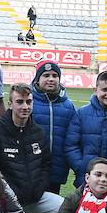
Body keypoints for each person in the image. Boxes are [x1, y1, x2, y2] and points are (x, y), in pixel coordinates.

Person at [0, 83, 63, 213]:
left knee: (66, 208)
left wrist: (38, 189)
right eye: (19, 102)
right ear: (10, 104)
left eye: (29, 102)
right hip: (7, 200)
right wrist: (9, 192)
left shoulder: (38, 132)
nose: (25, 106)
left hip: (35, 198)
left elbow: (46, 165)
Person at [30, 60, 77, 199]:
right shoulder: (28, 102)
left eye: (54, 75)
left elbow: (73, 138)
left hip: (56, 170)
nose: (51, 79)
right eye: (46, 75)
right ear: (38, 79)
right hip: (32, 170)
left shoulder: (68, 106)